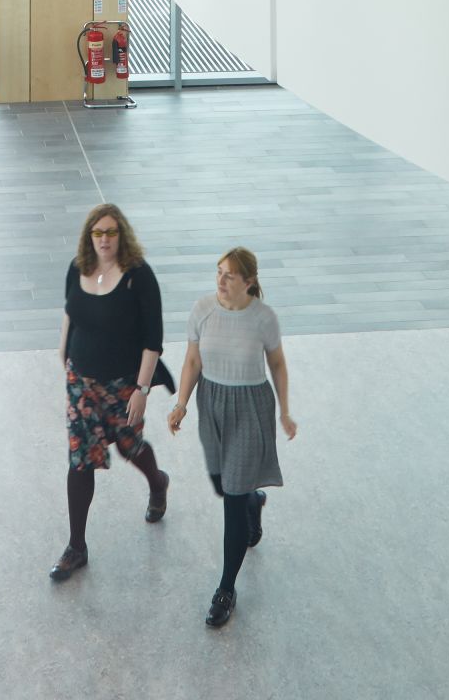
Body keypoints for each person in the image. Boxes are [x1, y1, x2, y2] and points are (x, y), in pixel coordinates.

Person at [167, 246, 296, 630]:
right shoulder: (202, 310)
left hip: (250, 407)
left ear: (249, 282)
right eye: (218, 273)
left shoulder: (263, 319)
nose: (221, 281)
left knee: (231, 500)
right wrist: (181, 404)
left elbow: (277, 364)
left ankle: (226, 589)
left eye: (230, 276)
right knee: (226, 487)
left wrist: (285, 411)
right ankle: (254, 502)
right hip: (212, 404)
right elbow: (192, 361)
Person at [50, 202, 171, 581]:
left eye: (111, 232)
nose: (104, 239)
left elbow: (153, 341)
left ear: (122, 236)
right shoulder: (77, 267)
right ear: (90, 236)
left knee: (127, 445)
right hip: (81, 383)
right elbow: (70, 310)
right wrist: (63, 350)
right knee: (80, 459)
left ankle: (158, 481)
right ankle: (76, 547)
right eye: (98, 233)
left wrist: (142, 389)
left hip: (123, 383)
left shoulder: (139, 277)